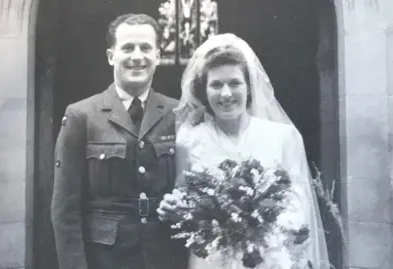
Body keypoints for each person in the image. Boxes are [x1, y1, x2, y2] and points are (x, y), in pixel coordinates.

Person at [158, 33, 330, 269]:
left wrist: (261, 226)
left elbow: (299, 208)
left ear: (249, 87)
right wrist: (177, 210)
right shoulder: (189, 140)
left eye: (235, 83)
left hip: (269, 257)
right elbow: (183, 200)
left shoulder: (283, 137)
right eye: (216, 85)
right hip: (212, 259)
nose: (226, 94)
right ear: (204, 91)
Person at [51, 13, 188, 269]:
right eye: (127, 48)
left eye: (146, 48)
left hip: (164, 256)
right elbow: (65, 210)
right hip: (105, 259)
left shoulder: (177, 113)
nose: (137, 56)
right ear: (111, 56)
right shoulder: (82, 116)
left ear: (157, 56)